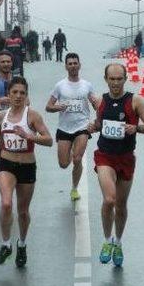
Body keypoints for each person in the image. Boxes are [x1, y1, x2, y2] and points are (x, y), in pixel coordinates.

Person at [87, 63, 144, 267]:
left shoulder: (135, 101)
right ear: (106, 79)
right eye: (112, 79)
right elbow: (99, 123)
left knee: (121, 205)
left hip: (126, 157)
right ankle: (107, 241)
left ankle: (118, 242)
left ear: (125, 79)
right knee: (109, 200)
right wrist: (93, 126)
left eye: (119, 79)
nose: (115, 83)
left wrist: (136, 128)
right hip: (105, 156)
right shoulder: (101, 101)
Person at [0, 76, 53, 268]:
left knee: (22, 211)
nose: (18, 96)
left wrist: (29, 136)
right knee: (5, 204)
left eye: (22, 93)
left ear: (26, 95)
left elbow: (48, 140)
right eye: (14, 92)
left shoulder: (33, 116)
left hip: (27, 166)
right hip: (6, 163)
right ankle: (6, 244)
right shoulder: (1, 116)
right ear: (8, 94)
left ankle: (22, 244)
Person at [46, 52, 99, 201]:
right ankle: (69, 153)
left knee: (77, 159)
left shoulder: (87, 85)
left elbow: (96, 104)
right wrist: (59, 107)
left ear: (79, 65)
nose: (73, 66)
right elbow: (48, 107)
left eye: (75, 63)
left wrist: (97, 109)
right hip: (64, 128)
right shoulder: (60, 86)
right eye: (70, 64)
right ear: (66, 66)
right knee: (63, 164)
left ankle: (74, 189)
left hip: (82, 126)